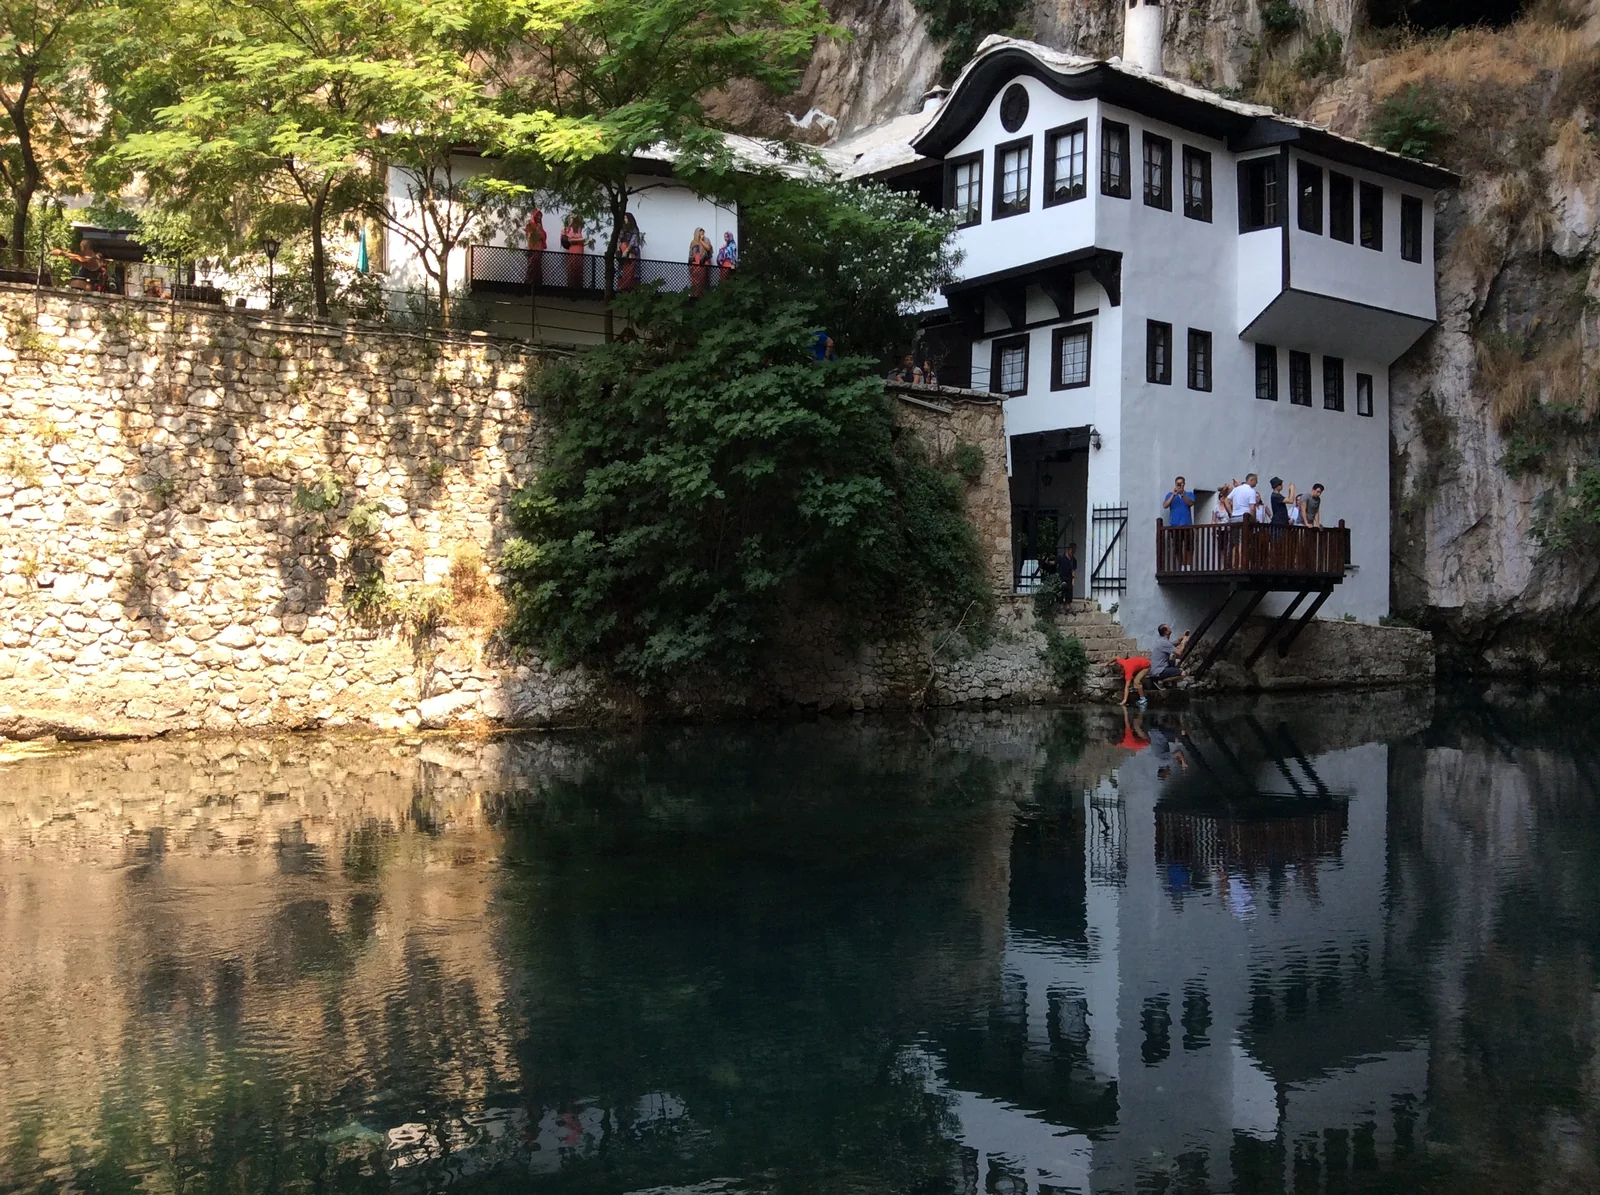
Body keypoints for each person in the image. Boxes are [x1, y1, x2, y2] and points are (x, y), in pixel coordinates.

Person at [560, 214, 588, 288]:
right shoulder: (571, 229)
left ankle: (578, 287)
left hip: (580, 250)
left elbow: (580, 242)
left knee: (579, 269)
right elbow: (570, 240)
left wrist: (587, 242)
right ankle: (572, 287)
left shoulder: (579, 230)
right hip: (574, 250)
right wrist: (581, 239)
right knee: (573, 268)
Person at [688, 228, 714, 296]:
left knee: (703, 282)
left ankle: (701, 296)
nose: (702, 235)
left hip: (703, 265)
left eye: (703, 233)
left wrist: (701, 241)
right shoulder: (694, 242)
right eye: (700, 233)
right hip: (695, 266)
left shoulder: (705, 240)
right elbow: (694, 255)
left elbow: (708, 248)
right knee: (695, 283)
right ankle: (695, 296)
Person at [525, 209, 547, 286]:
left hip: (539, 249)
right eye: (537, 215)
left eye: (540, 216)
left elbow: (543, 237)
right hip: (533, 249)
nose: (539, 217)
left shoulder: (540, 226)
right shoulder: (531, 225)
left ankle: (537, 286)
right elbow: (529, 236)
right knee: (532, 267)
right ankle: (529, 285)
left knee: (537, 268)